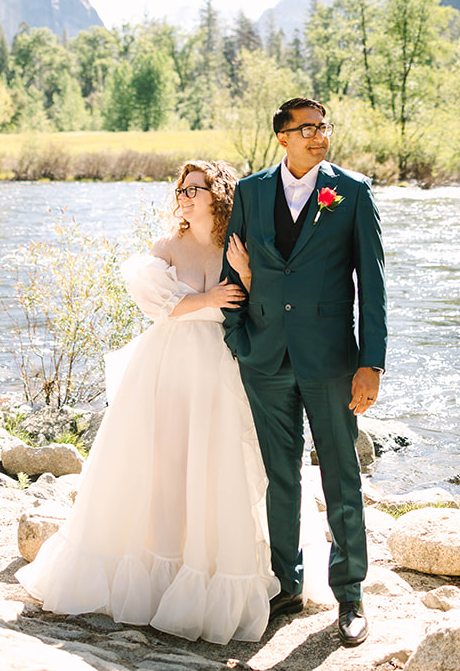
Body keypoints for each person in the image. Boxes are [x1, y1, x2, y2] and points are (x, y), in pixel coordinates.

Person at [15, 160, 280, 644]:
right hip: (166, 366)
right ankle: (151, 583)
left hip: (218, 368)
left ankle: (201, 575)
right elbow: (160, 306)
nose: (185, 195)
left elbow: (261, 309)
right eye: (182, 188)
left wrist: (244, 274)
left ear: (218, 195)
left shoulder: (236, 248)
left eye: (196, 188)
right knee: (163, 465)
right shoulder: (165, 248)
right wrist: (210, 297)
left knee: (213, 467)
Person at [221, 96, 386, 647]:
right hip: (264, 358)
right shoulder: (250, 192)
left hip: (333, 361)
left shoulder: (353, 192)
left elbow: (374, 287)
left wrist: (371, 363)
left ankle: (351, 596)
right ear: (282, 137)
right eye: (307, 128)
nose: (319, 135)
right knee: (280, 475)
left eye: (323, 126)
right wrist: (237, 338)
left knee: (342, 474)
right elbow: (233, 272)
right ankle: (286, 585)